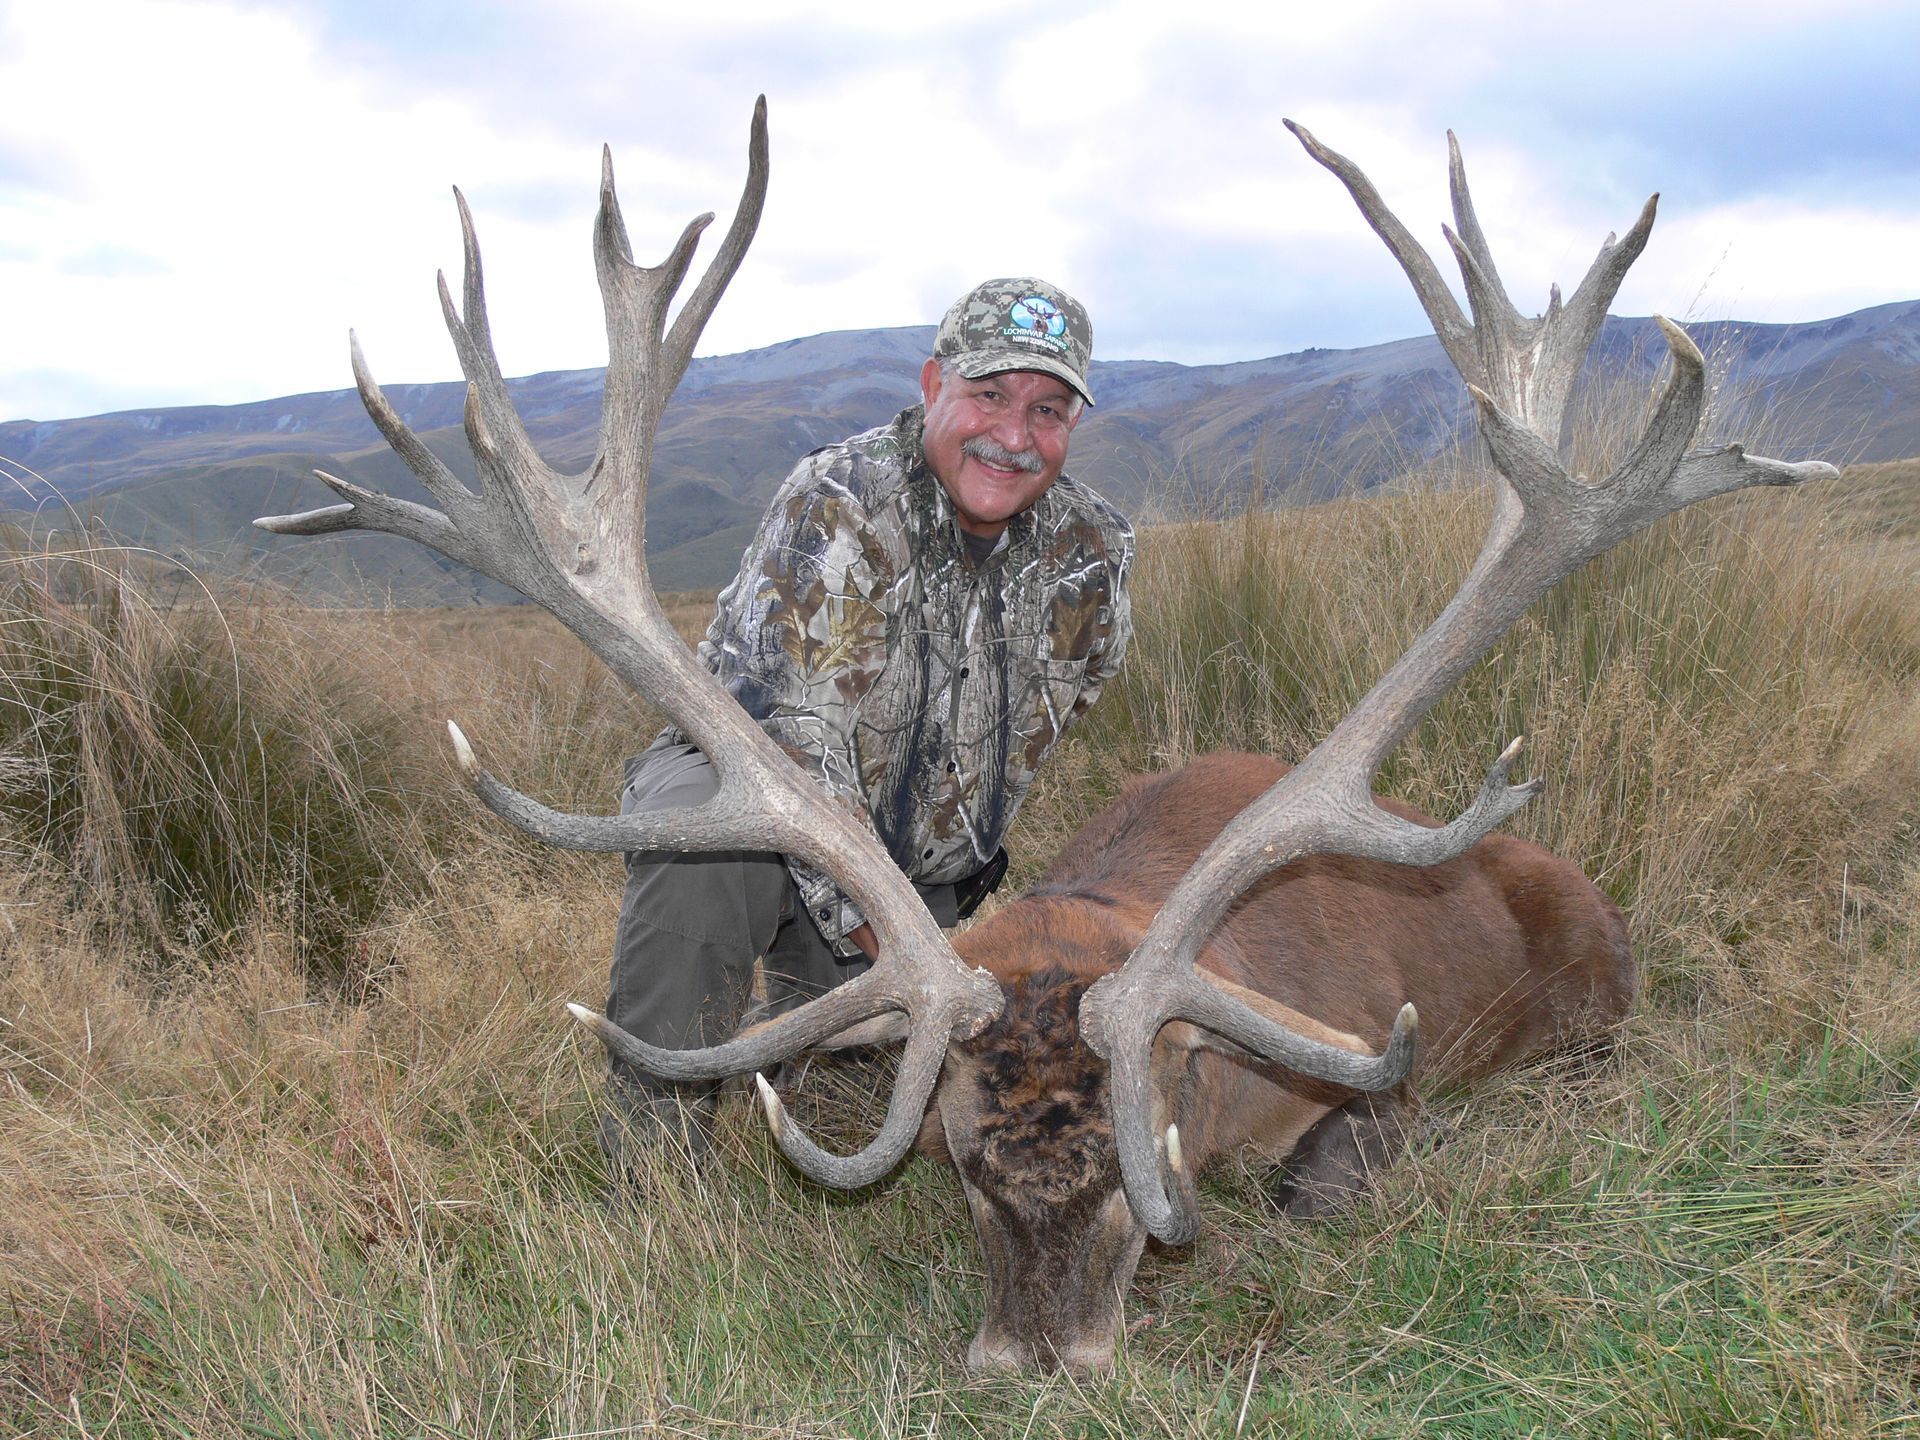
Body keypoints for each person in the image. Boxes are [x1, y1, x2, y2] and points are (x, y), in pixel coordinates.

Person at [601, 277, 1134, 1165]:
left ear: (1073, 422)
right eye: (989, 395)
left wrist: (932, 907)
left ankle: (807, 1018)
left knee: (870, 1113)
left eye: (1048, 409)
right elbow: (790, 740)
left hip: (908, 876)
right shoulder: (842, 500)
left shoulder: (1093, 552)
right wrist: (894, 937)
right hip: (758, 808)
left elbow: (1070, 705)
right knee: (706, 837)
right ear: (933, 386)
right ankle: (651, 1170)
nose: (1013, 435)